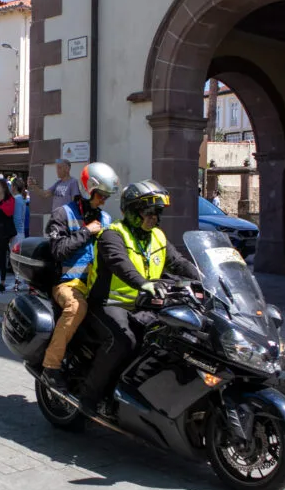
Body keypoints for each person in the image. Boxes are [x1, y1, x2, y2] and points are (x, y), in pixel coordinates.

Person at [81, 179, 200, 414]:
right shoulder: (113, 235)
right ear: (132, 212)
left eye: (157, 212)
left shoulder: (157, 236)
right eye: (148, 212)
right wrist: (143, 283)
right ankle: (90, 397)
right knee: (125, 341)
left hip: (144, 303)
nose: (154, 217)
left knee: (174, 336)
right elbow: (120, 264)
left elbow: (178, 263)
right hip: (109, 303)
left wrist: (204, 278)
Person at [39, 162, 119, 391]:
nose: (104, 200)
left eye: (106, 196)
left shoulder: (105, 219)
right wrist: (86, 232)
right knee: (76, 307)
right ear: (87, 190)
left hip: (97, 284)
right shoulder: (62, 214)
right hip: (68, 283)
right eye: (101, 195)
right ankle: (50, 366)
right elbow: (57, 251)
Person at [10, 178, 28, 291]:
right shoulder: (21, 199)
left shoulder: (16, 199)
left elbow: (15, 218)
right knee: (19, 260)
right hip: (19, 233)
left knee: (16, 261)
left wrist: (11, 233)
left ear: (14, 187)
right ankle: (20, 282)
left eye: (11, 186)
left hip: (16, 233)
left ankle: (18, 283)